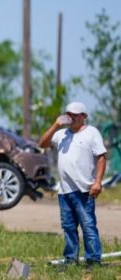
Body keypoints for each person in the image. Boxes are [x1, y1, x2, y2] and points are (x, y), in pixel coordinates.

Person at [39, 101, 107, 271]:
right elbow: (42, 143)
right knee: (68, 227)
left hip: (84, 190)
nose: (72, 117)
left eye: (76, 115)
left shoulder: (92, 133)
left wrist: (98, 182)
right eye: (69, 114)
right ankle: (71, 259)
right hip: (64, 191)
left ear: (84, 117)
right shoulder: (61, 134)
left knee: (88, 226)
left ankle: (93, 261)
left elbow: (101, 157)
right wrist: (55, 125)